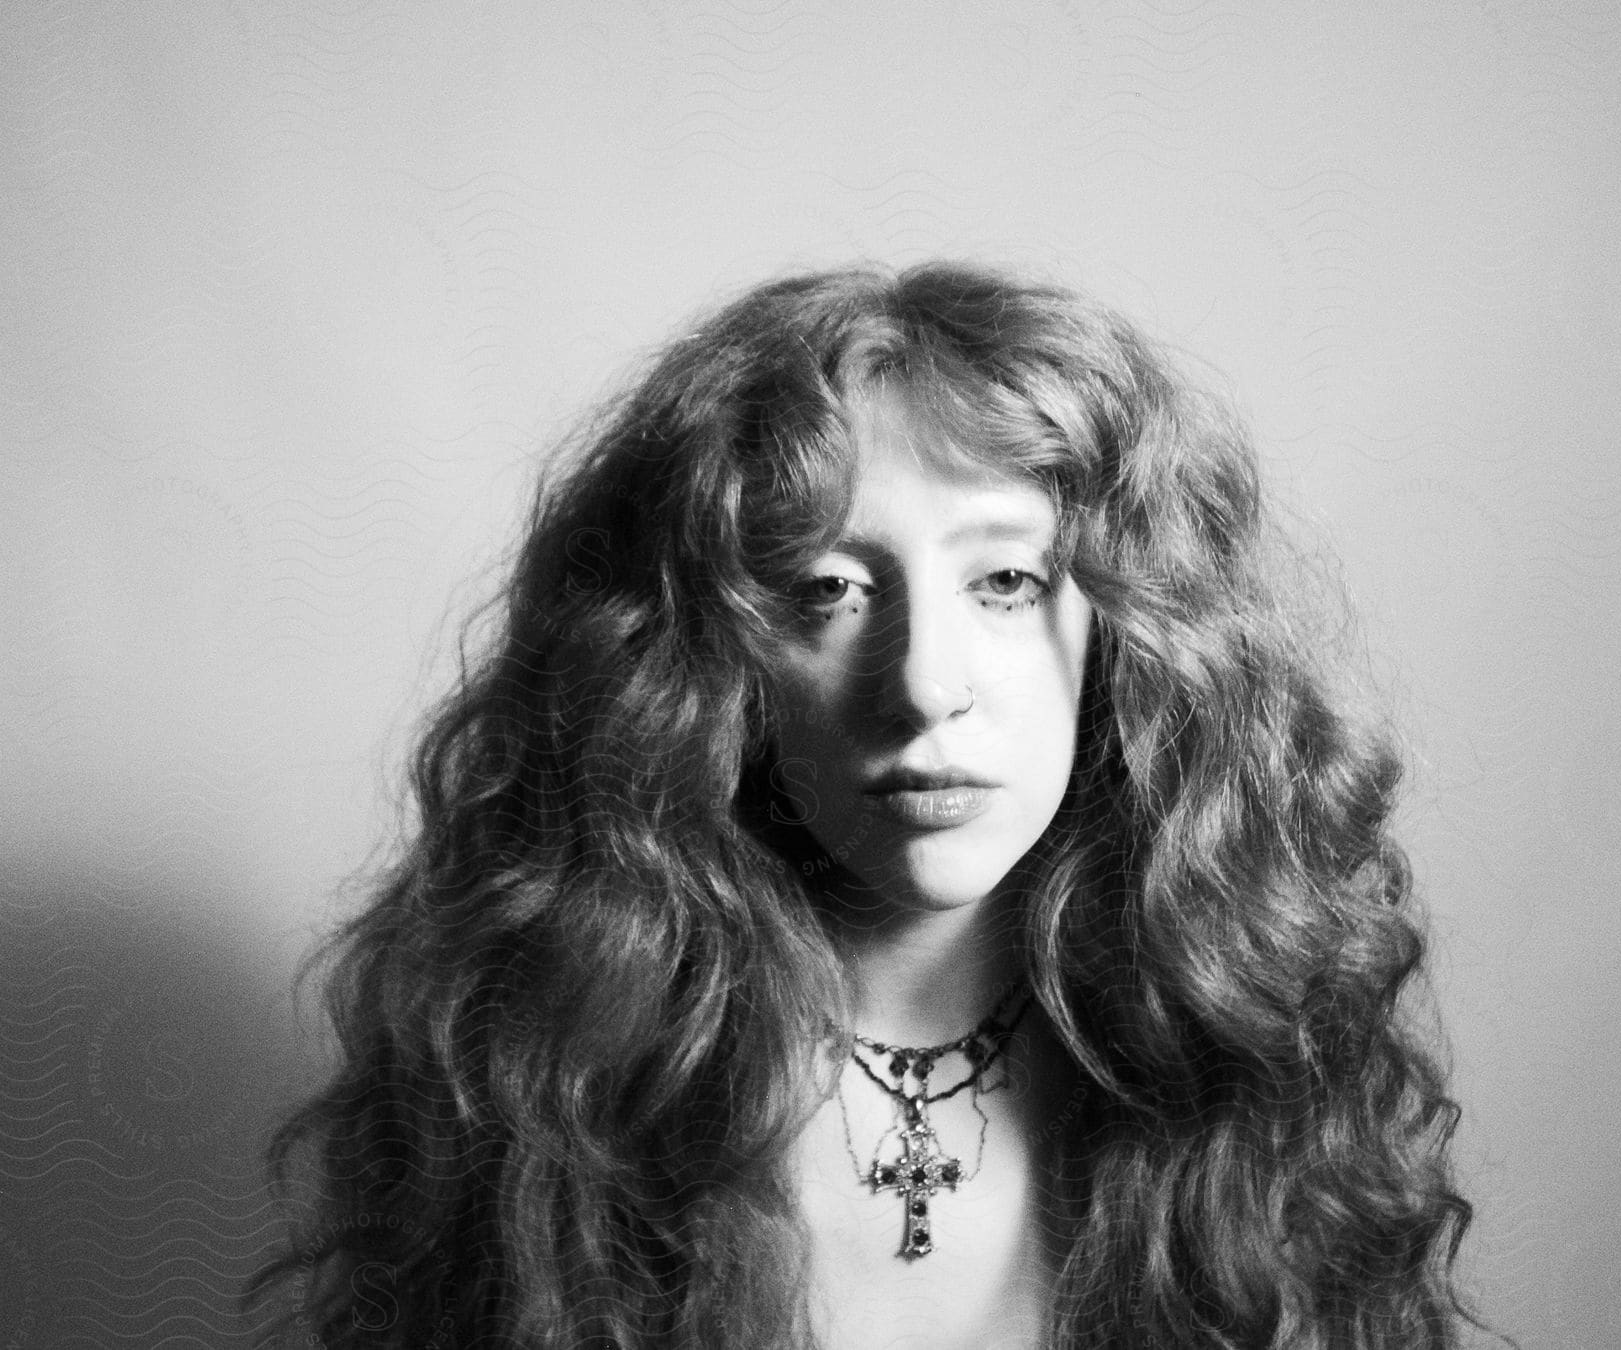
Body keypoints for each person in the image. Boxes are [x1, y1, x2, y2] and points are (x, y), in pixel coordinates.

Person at [252, 261, 1482, 1348]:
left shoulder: (1240, 1050)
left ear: (1130, 634)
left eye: (1005, 580)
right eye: (829, 590)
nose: (924, 685)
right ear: (701, 666)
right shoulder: (565, 1085)